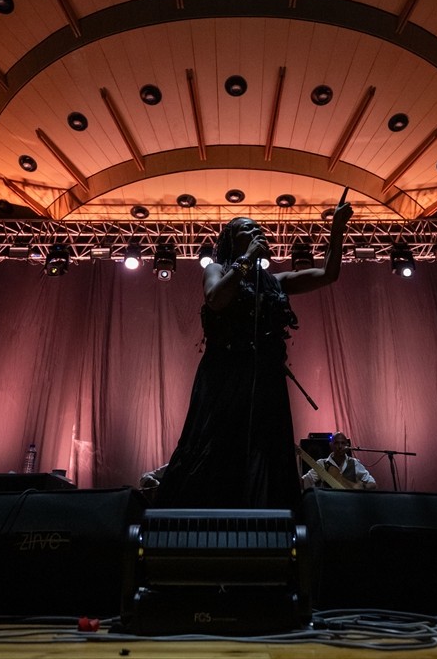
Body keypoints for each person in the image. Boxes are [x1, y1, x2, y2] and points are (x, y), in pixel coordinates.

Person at [156, 201, 353, 511]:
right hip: (224, 375)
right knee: (217, 443)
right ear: (231, 240)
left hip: (265, 377)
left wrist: (337, 230)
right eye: (247, 229)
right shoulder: (216, 270)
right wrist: (247, 259)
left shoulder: (275, 282)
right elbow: (215, 299)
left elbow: (328, 274)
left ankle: (270, 520)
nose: (256, 232)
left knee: (267, 447)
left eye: (258, 229)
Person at [301, 432, 377, 490]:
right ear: (331, 445)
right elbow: (303, 483)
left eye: (343, 443)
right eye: (336, 443)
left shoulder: (354, 463)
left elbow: (373, 484)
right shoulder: (322, 464)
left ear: (347, 446)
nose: (340, 446)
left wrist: (363, 486)